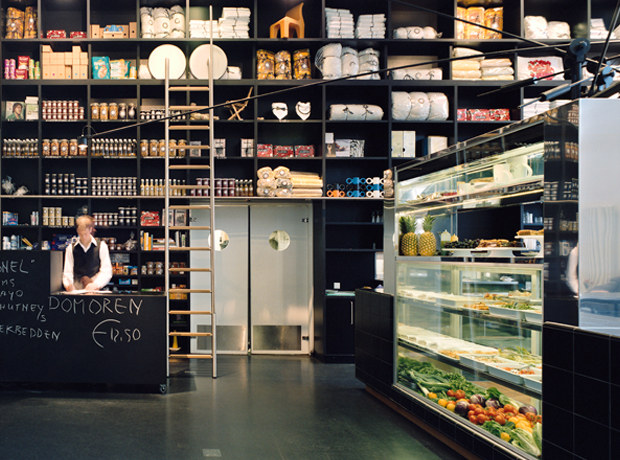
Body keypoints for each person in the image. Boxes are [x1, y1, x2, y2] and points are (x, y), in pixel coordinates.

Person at [62, 215, 112, 292]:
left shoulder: (102, 246)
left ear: (90, 229)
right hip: (76, 291)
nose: (83, 237)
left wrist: (95, 284)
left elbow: (106, 271)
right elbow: (68, 272)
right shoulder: (70, 248)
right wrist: (68, 285)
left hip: (96, 291)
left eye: (85, 234)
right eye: (80, 234)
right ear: (77, 231)